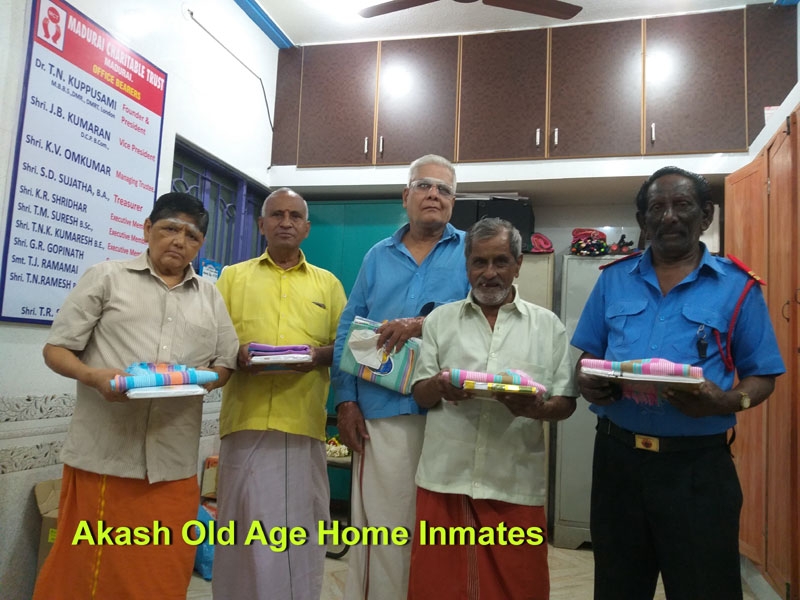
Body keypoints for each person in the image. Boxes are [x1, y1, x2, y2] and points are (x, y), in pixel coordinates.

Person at [571, 166, 786, 600]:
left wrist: (727, 401)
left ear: (705, 215)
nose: (668, 216)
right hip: (617, 463)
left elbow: (763, 375)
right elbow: (587, 357)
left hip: (698, 470)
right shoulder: (613, 279)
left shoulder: (738, 287)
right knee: (617, 587)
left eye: (682, 204)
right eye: (657, 207)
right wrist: (587, 380)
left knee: (705, 588)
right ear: (643, 220)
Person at [33, 192, 239, 600]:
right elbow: (56, 350)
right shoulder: (106, 277)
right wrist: (93, 376)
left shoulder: (210, 296)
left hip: (172, 466)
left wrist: (202, 380)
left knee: (161, 574)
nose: (179, 241)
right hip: (105, 458)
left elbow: (225, 363)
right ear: (147, 229)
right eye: (169, 229)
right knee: (87, 573)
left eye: (192, 236)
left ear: (200, 244)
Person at [408, 218, 577, 599]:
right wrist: (441, 385)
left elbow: (566, 402)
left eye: (500, 261)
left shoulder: (547, 326)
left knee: (520, 587)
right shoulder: (440, 321)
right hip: (444, 479)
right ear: (466, 266)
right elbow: (420, 394)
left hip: (514, 482)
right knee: (437, 588)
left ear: (518, 264)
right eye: (479, 262)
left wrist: (534, 408)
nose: (489, 273)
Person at [332, 154, 470, 600]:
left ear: (453, 202)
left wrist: (421, 325)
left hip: (450, 413)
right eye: (424, 185)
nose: (434, 195)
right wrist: (345, 401)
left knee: (441, 531)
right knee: (382, 530)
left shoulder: (472, 251)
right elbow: (348, 330)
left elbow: (484, 317)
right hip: (381, 413)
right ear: (406, 196)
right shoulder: (378, 256)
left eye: (444, 189)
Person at [212, 188, 347, 600]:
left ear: (306, 228)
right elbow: (213, 340)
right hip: (245, 421)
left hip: (301, 425)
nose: (285, 222)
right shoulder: (232, 278)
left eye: (294, 216)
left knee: (299, 531)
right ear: (261, 225)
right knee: (239, 528)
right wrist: (237, 354)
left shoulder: (328, 285)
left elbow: (346, 348)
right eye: (276, 215)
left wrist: (316, 355)